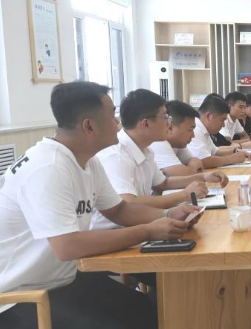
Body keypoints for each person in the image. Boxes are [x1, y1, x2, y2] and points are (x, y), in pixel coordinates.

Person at [0, 81, 201, 329]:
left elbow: (119, 210)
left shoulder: (87, 161)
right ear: (89, 126)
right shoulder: (48, 168)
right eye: (112, 115)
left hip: (59, 280)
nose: (119, 122)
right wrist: (149, 230)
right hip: (15, 298)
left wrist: (166, 215)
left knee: (144, 311)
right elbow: (67, 246)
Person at [90, 89, 229, 230]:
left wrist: (204, 177)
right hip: (114, 233)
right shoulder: (117, 155)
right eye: (165, 118)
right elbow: (129, 203)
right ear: (146, 124)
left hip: (137, 226)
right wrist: (184, 195)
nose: (169, 124)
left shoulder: (146, 149)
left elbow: (163, 183)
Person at [188, 95, 251, 169]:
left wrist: (236, 151)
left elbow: (216, 151)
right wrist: (231, 159)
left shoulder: (204, 129)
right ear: (208, 116)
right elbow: (203, 161)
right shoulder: (195, 129)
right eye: (222, 120)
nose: (223, 125)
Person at [150, 100, 205, 176]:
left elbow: (197, 162)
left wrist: (190, 168)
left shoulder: (177, 144)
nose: (193, 135)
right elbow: (184, 175)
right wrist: (191, 168)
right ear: (170, 128)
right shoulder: (159, 143)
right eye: (190, 130)